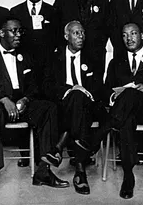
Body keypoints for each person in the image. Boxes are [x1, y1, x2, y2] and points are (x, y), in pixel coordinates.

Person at [0, 17, 69, 198]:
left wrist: (25, 99)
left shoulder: (25, 54)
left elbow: (34, 85)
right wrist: (3, 99)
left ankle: (43, 170)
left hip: (22, 103)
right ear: (2, 33)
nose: (18, 35)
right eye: (13, 31)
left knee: (49, 108)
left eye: (20, 31)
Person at [91, 22, 143, 199]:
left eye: (133, 33)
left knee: (130, 95)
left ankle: (102, 130)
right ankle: (128, 176)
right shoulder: (116, 61)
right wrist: (114, 97)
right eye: (124, 35)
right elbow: (106, 90)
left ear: (142, 35)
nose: (129, 38)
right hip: (124, 113)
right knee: (126, 116)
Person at [43, 21, 107, 195]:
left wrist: (82, 92)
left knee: (80, 100)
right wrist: (71, 90)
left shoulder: (92, 56)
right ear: (66, 36)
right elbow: (47, 86)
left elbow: (99, 87)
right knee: (77, 101)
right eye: (76, 33)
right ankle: (80, 170)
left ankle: (59, 147)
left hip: (89, 104)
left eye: (82, 33)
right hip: (63, 106)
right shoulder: (54, 57)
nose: (81, 37)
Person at [53, 0, 109, 73]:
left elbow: (107, 30)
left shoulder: (103, 1)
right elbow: (55, 28)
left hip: (95, 57)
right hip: (70, 57)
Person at [10, 0, 58, 82]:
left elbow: (57, 36)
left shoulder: (53, 11)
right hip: (23, 60)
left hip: (47, 62)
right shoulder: (15, 11)